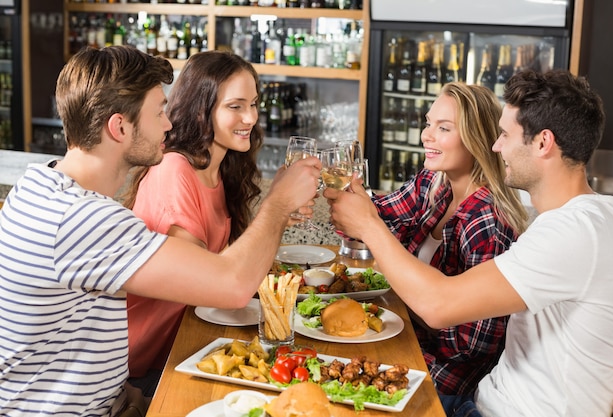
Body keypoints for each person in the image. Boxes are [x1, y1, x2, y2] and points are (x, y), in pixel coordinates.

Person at [0, 45, 320, 417]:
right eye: (159, 112)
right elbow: (230, 285)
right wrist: (278, 204)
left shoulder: (41, 183)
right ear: (119, 127)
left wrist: (125, 397)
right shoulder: (83, 220)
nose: (169, 124)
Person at [325, 69, 613, 417]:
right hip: (486, 403)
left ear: (543, 143)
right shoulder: (574, 224)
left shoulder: (574, 233)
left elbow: (440, 307)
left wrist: (368, 224)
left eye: (504, 135)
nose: (496, 147)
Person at [121, 51, 269, 393]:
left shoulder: (220, 169)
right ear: (201, 108)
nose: (250, 117)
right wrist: (276, 210)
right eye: (235, 106)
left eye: (254, 104)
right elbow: (207, 281)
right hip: (145, 365)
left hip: (187, 346)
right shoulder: (174, 170)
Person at [369, 82, 528, 395]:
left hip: (444, 382)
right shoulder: (435, 183)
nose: (426, 135)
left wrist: (409, 295)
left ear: (475, 140)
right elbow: (376, 216)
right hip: (406, 342)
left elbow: (471, 347)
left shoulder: (488, 220)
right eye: (428, 124)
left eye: (443, 128)